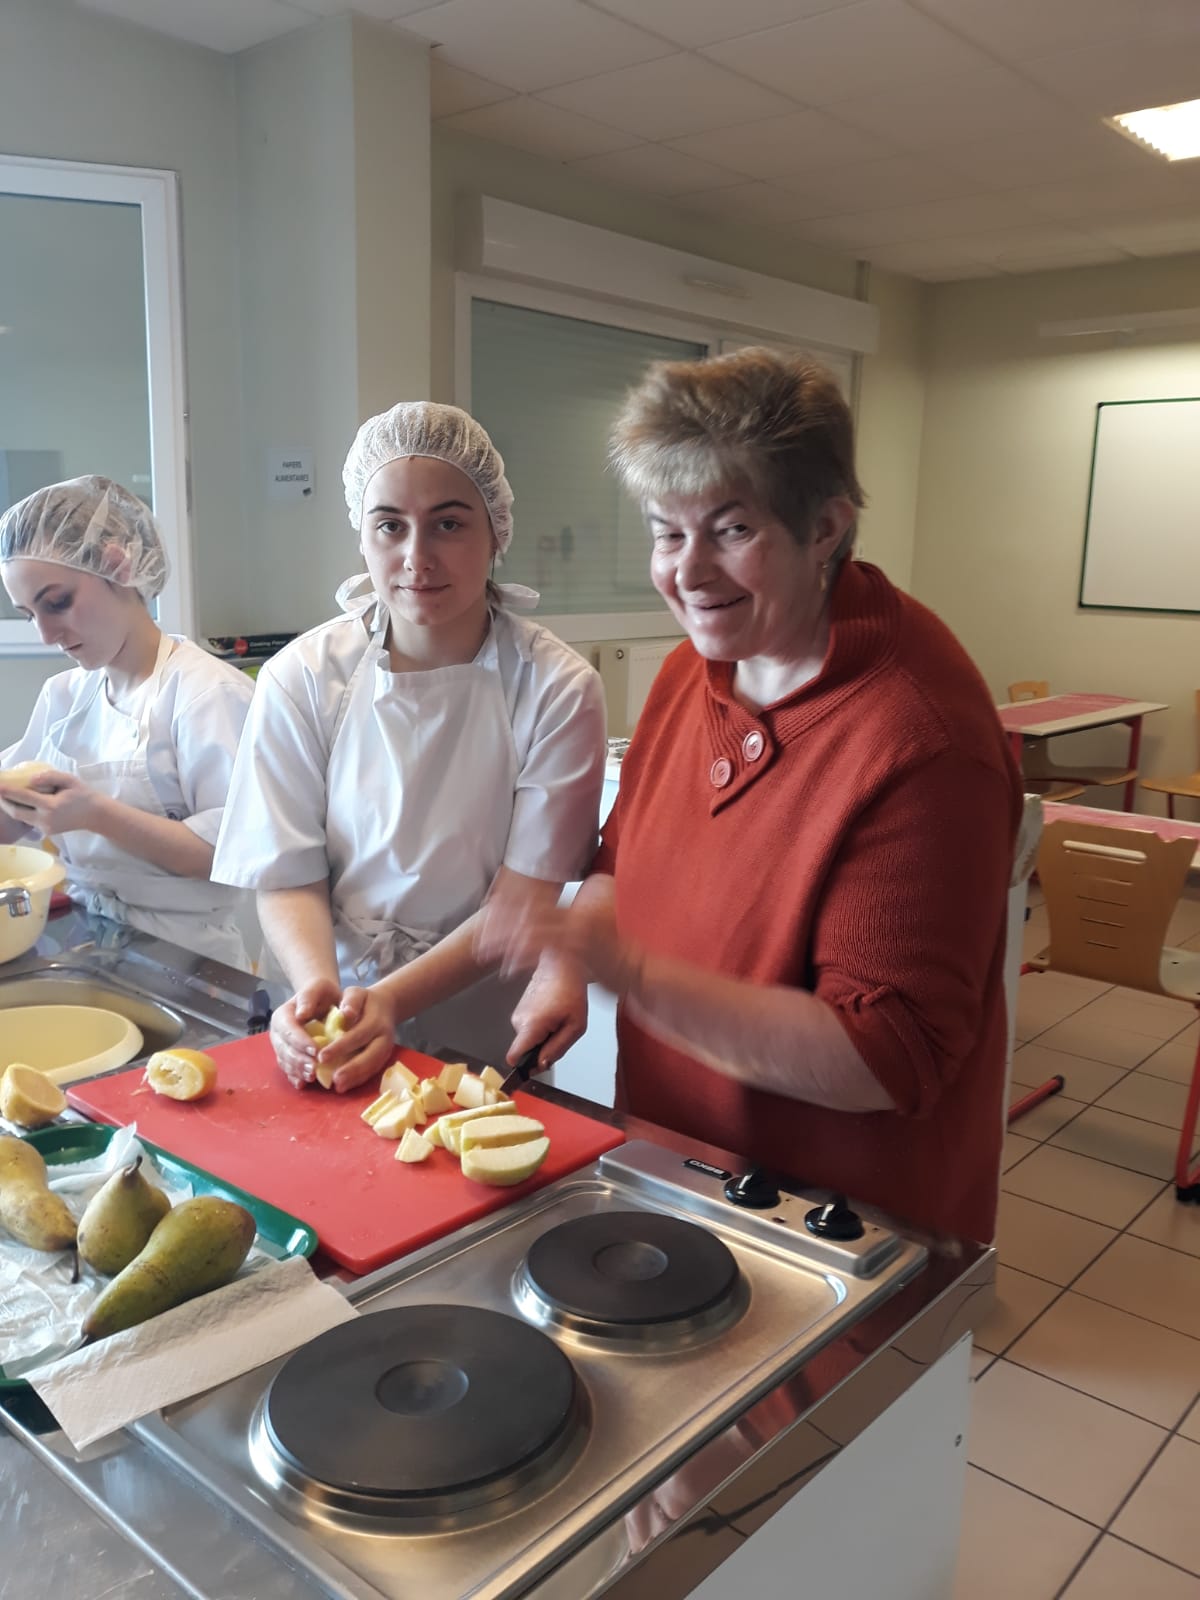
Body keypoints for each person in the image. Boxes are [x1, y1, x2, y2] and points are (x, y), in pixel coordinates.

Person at [485, 349, 1022, 1243]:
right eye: (666, 533)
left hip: (838, 1224)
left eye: (730, 530)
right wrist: (568, 964)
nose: (688, 572)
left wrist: (634, 975)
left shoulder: (924, 740)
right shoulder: (691, 671)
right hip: (675, 1159)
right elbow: (623, 858)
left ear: (826, 527)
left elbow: (885, 1060)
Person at [212, 401, 606, 1092]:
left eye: (448, 524)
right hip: (330, 1014)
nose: (417, 558)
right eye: (390, 525)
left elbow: (521, 901)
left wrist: (390, 1001)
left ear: (495, 532)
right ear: (361, 536)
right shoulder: (303, 677)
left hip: (484, 1024)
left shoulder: (558, 688)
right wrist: (320, 994)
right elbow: (286, 870)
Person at [0, 476, 255, 968]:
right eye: (28, 614)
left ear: (118, 566)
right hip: (86, 941)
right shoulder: (64, 696)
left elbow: (229, 856)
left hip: (190, 959)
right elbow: (11, 821)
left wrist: (94, 814)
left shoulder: (206, 694)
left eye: (57, 603)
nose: (46, 634)